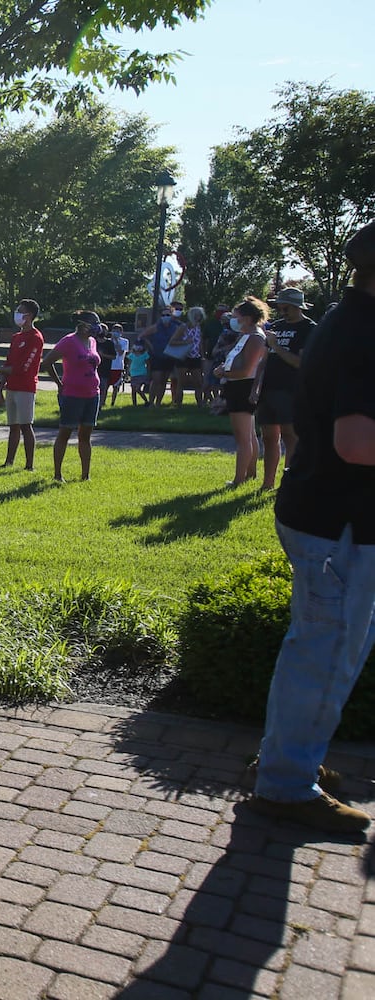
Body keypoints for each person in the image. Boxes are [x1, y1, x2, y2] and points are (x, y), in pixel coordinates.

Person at [248, 221, 375, 835]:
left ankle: (290, 761)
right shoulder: (363, 333)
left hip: (326, 514)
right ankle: (285, 785)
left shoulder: (342, 323)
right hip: (340, 521)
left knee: (319, 646)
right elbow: (356, 442)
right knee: (326, 653)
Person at [256, 288, 316, 492]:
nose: (281, 310)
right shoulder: (277, 327)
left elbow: (300, 362)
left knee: (291, 437)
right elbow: (265, 358)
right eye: (280, 306)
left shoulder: (308, 328)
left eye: (286, 307)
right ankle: (267, 483)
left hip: (291, 390)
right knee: (268, 437)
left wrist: (276, 345)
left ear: (298, 307)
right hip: (268, 389)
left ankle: (288, 483)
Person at [212, 298, 271, 487]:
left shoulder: (255, 337)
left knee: (243, 437)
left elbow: (247, 370)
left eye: (236, 317)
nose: (233, 320)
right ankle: (250, 473)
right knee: (249, 434)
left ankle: (238, 479)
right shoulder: (246, 335)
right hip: (236, 386)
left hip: (243, 387)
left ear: (246, 318)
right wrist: (225, 368)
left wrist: (224, 373)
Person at [42, 312, 103, 482]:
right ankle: (57, 475)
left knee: (85, 435)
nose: (96, 326)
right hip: (72, 395)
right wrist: (59, 384)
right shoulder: (68, 341)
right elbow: (47, 362)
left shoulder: (92, 342)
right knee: (65, 432)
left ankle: (85, 475)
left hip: (92, 394)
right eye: (93, 323)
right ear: (82, 324)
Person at [0, 299, 44, 469]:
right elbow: (8, 361)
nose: (17, 313)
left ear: (30, 315)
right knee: (13, 426)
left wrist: (5, 371)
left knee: (26, 425)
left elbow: (25, 366)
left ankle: (29, 465)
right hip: (11, 386)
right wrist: (1, 387)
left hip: (25, 387)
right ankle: (9, 461)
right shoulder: (16, 337)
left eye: (20, 311)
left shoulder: (35, 337)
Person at [168, 306, 205, 407]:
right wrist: (185, 342)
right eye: (197, 315)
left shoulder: (198, 327)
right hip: (184, 357)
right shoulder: (183, 327)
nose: (199, 317)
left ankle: (200, 404)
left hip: (195, 357)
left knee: (198, 382)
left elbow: (200, 343)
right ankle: (178, 404)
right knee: (181, 382)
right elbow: (172, 342)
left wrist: (202, 355)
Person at [104, 323, 128, 406]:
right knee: (105, 385)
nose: (115, 332)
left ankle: (113, 403)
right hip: (108, 366)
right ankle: (103, 402)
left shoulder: (124, 341)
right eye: (114, 331)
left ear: (121, 332)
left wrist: (116, 340)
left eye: (117, 331)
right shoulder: (107, 341)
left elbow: (121, 352)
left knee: (116, 386)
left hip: (118, 366)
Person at [127, 338, 151, 405]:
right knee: (133, 389)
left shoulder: (145, 354)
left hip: (142, 373)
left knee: (138, 388)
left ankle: (146, 401)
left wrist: (148, 374)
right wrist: (127, 373)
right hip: (133, 373)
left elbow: (148, 364)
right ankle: (134, 404)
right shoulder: (131, 354)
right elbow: (129, 364)